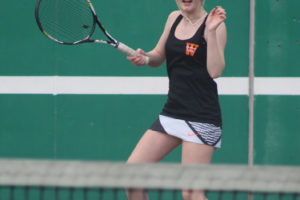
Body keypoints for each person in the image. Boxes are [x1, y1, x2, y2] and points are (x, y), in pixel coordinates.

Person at [126, 0, 227, 199]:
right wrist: (145, 58)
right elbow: (157, 56)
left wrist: (212, 31)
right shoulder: (173, 18)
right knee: (131, 178)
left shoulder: (216, 24)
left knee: (190, 193)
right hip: (172, 112)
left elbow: (215, 71)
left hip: (201, 117)